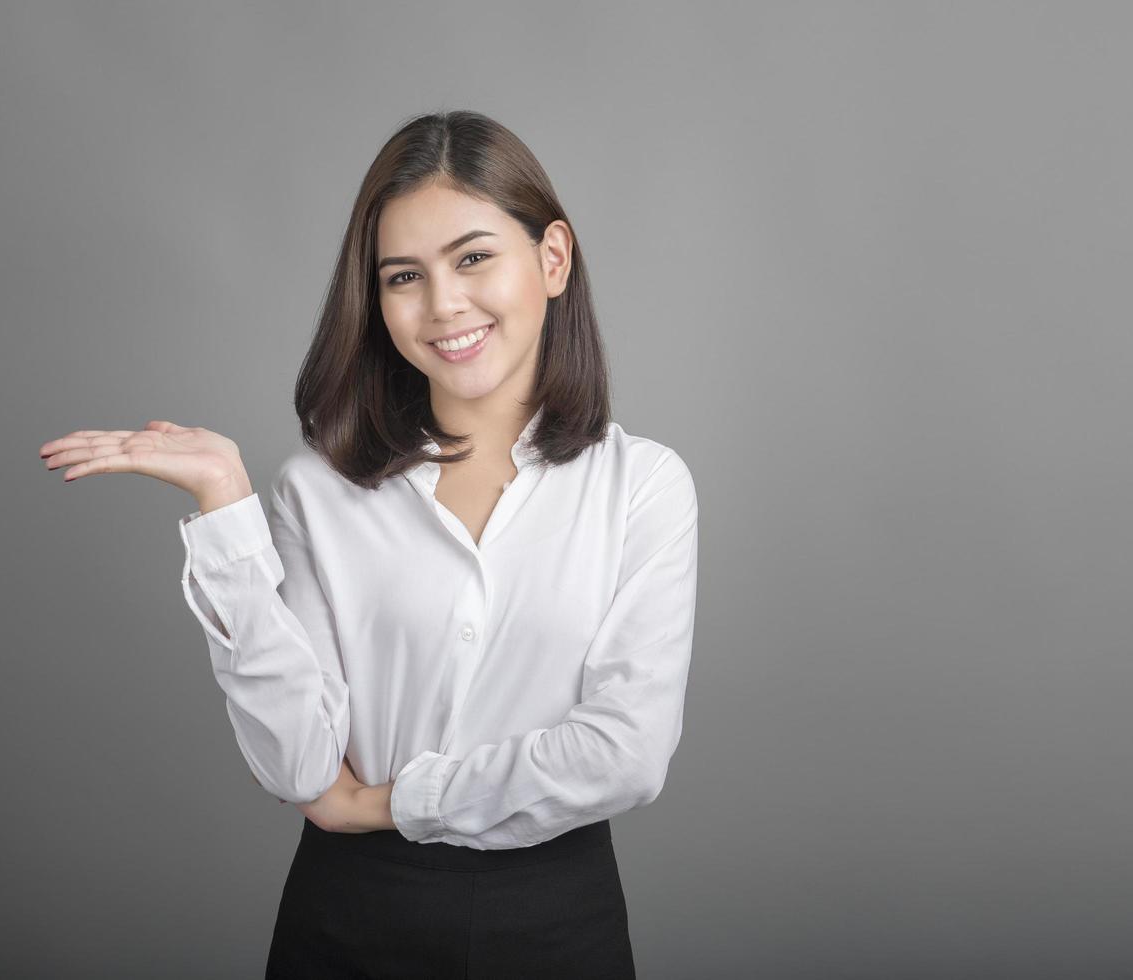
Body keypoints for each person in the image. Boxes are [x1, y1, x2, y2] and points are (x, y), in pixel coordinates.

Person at [36, 109, 699, 978]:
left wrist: (389, 800)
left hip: (557, 921)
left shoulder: (642, 487)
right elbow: (302, 766)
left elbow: (625, 757)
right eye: (403, 276)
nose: (443, 304)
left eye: (473, 258)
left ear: (553, 260)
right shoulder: (319, 489)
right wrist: (227, 508)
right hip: (348, 922)